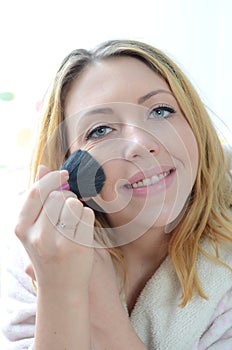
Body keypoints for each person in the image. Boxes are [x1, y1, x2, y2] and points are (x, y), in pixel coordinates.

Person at [1, 39, 232, 350]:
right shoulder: (35, 257)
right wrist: (59, 291)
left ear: (195, 126)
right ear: (68, 167)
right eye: (100, 130)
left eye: (161, 111)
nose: (141, 144)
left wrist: (100, 306)